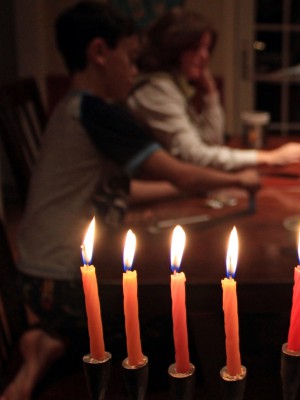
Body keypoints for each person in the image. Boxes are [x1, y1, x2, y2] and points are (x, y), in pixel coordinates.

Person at [0, 2, 260, 400]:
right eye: (131, 58)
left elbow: (128, 190)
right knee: (169, 321)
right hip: (61, 282)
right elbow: (181, 170)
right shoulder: (97, 112)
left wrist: (196, 188)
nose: (135, 71)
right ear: (100, 53)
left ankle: (50, 343)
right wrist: (239, 178)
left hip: (39, 276)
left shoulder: (72, 109)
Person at [127, 7, 300, 171]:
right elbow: (195, 156)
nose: (204, 57)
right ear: (174, 47)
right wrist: (267, 158)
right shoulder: (157, 88)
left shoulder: (174, 85)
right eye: (195, 48)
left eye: (207, 49)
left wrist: (210, 92)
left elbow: (210, 142)